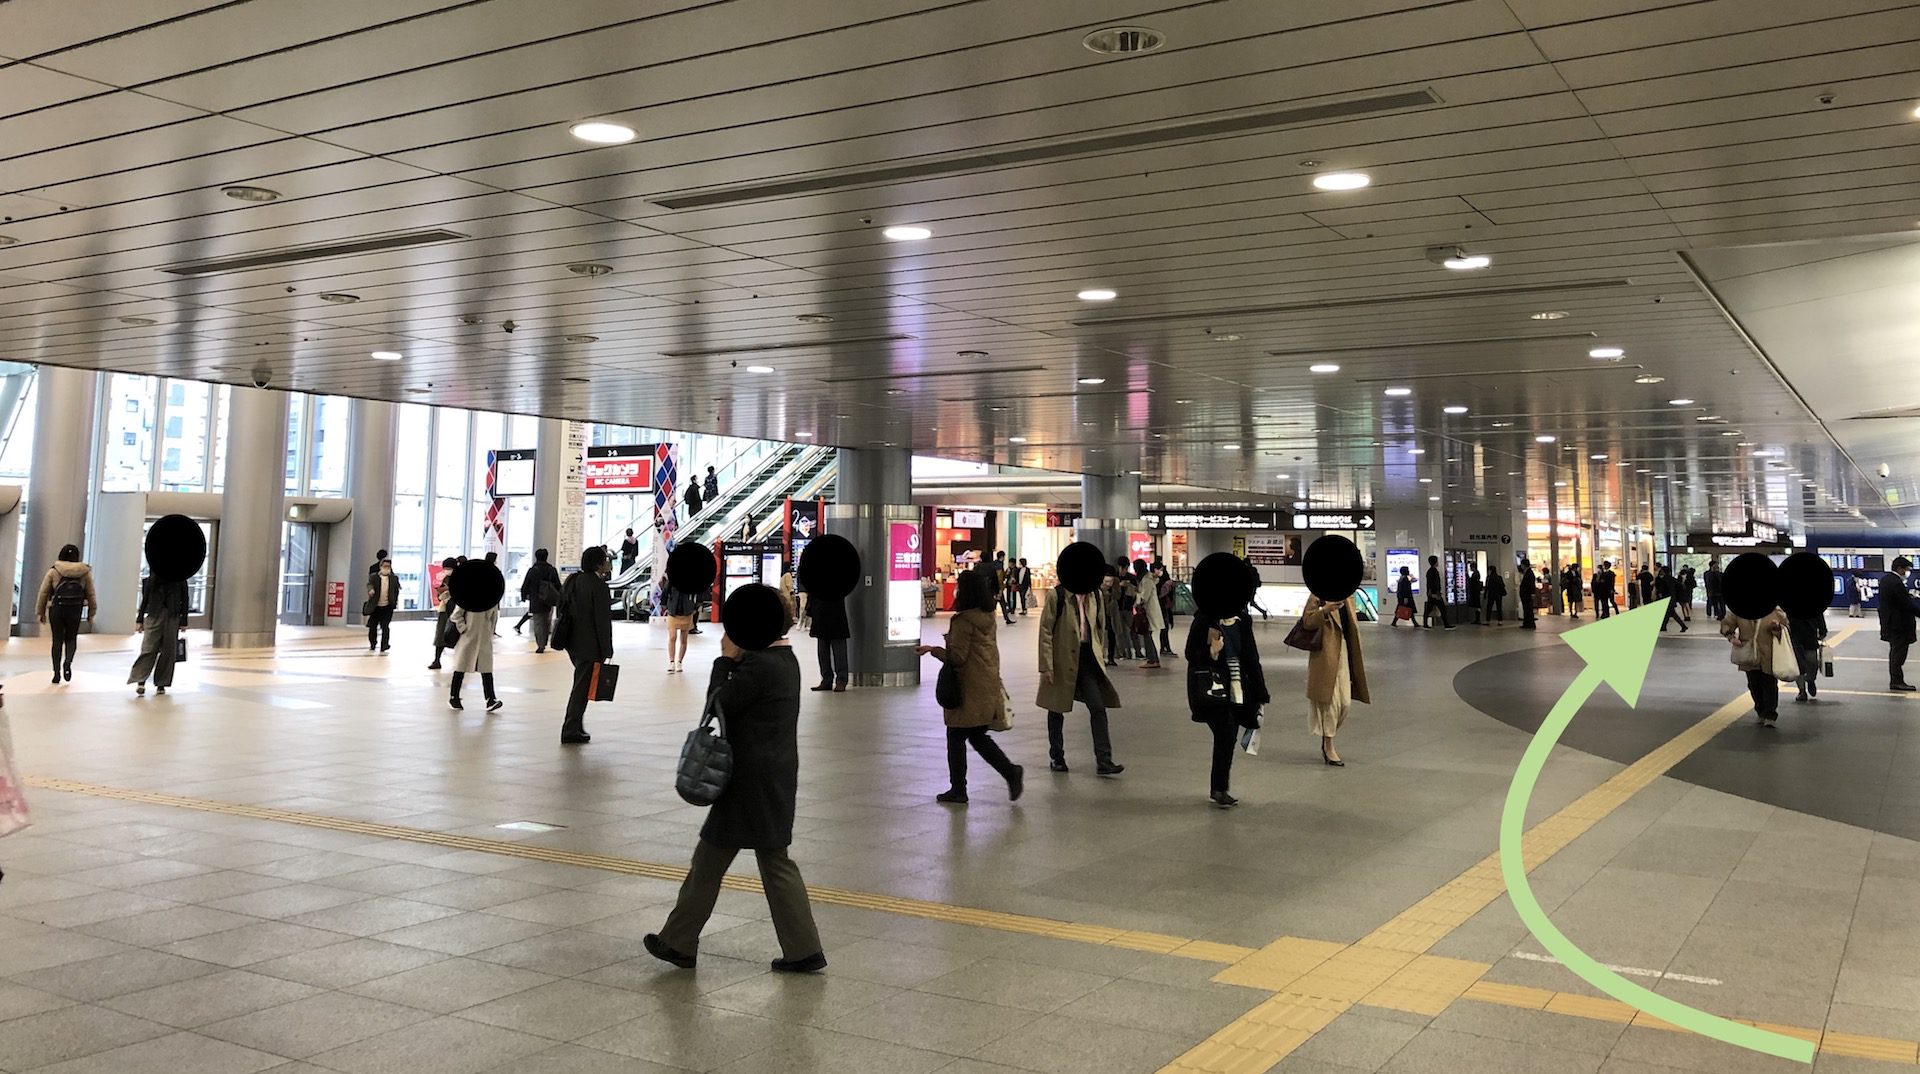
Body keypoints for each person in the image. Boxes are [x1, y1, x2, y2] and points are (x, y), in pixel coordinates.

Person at [645, 591, 824, 975]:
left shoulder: (759, 666)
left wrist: (724, 660)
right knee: (767, 860)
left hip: (747, 782)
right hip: (773, 776)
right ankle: (802, 948)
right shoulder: (784, 660)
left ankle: (679, 942)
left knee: (713, 860)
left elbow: (718, 703)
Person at [918, 571, 1023, 805]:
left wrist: (934, 649)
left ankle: (959, 789)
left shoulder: (963, 621)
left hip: (967, 687)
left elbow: (957, 657)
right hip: (985, 683)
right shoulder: (987, 616)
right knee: (976, 735)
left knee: (956, 735)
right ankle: (1009, 772)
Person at [1038, 574, 1124, 776]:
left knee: (1098, 707)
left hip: (1087, 659)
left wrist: (1100, 654)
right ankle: (1056, 756)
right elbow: (1046, 630)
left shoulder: (1095, 595)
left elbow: (1099, 626)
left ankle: (1104, 760)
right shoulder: (1058, 595)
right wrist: (1046, 665)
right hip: (1062, 658)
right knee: (1056, 708)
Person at [1185, 600, 1268, 807]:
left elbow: (1251, 657)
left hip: (1238, 688)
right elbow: (1190, 653)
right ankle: (1219, 788)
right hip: (1213, 686)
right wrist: (1212, 652)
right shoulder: (1205, 619)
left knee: (1228, 737)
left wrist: (1260, 692)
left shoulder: (1242, 620)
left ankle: (1219, 788)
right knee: (1226, 732)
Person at [1302, 590, 1370, 766]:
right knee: (1330, 703)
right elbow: (1307, 622)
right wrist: (1325, 610)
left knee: (1345, 703)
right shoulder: (1318, 594)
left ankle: (1328, 737)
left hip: (1345, 652)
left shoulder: (1348, 596)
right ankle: (1328, 745)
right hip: (1326, 655)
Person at [559, 546, 614, 744]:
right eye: (605, 560)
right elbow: (602, 621)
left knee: (580, 684)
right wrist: (607, 648)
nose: (607, 563)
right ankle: (570, 729)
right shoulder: (599, 586)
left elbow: (561, 607)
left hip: (572, 642)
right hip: (589, 645)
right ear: (598, 564)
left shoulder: (573, 580)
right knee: (581, 688)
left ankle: (576, 725)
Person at [36, 544, 96, 685]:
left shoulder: (54, 571)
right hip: (75, 609)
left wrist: (40, 611)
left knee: (57, 640)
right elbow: (91, 594)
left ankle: (56, 673)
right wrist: (91, 612)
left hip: (57, 609)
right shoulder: (84, 572)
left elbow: (43, 592)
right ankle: (67, 663)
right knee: (71, 638)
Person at [1722, 605, 1788, 726]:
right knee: (1754, 684)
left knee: (1769, 683)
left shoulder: (1774, 610)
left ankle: (1770, 714)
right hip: (1749, 653)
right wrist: (1731, 637)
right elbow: (1727, 624)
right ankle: (1760, 710)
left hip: (1769, 653)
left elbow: (1786, 628)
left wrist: (1777, 629)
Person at [128, 572, 188, 696]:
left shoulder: (180, 577)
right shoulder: (154, 577)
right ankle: (141, 680)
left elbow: (185, 598)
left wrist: (184, 620)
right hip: (154, 614)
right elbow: (145, 599)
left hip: (172, 615)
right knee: (148, 648)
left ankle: (162, 683)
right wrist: (140, 619)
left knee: (168, 651)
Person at [448, 594, 502, 713]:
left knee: (486, 669)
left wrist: (491, 633)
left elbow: (493, 619)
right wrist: (463, 628)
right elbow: (456, 615)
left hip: (484, 639)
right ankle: (454, 697)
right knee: (460, 668)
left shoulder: (493, 601)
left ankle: (490, 699)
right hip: (468, 637)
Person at [1881, 556, 1916, 691]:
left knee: (1895, 652)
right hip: (1899, 625)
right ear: (1899, 568)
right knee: (1898, 654)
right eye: (1906, 569)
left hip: (1891, 623)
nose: (1907, 572)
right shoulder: (1896, 583)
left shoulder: (1886, 580)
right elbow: (1906, 604)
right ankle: (1896, 681)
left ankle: (1896, 680)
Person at [518, 549, 561, 653]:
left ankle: (540, 645)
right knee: (546, 621)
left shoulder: (533, 570)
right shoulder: (552, 569)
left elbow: (525, 584)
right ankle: (544, 642)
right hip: (548, 600)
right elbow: (558, 585)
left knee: (538, 623)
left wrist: (523, 596)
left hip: (536, 600)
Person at [807, 587, 850, 692]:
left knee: (839, 650)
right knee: (822, 651)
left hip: (836, 613)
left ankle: (841, 679)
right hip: (820, 612)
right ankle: (826, 679)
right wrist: (810, 608)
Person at [1788, 604, 1828, 704]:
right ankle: (1802, 691)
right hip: (1795, 636)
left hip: (1810, 634)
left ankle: (1810, 679)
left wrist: (1822, 630)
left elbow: (1819, 615)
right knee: (1798, 664)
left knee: (1812, 662)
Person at [663, 579, 699, 673]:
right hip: (673, 611)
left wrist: (695, 607)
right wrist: (664, 605)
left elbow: (698, 594)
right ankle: (671, 662)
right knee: (672, 637)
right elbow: (665, 592)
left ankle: (679, 662)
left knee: (684, 639)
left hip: (687, 611)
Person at [1134, 562, 1164, 669]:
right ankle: (1153, 659)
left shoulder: (1146, 579)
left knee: (1147, 635)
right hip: (1150, 610)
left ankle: (1152, 660)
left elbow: (1144, 597)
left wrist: (1136, 602)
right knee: (1148, 635)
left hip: (1148, 611)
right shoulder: (1149, 578)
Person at [428, 557, 457, 669]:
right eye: (445, 568)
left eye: (448, 568)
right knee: (440, 635)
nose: (446, 570)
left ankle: (462, 662)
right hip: (444, 609)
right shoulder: (446, 578)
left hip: (455, 611)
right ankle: (437, 660)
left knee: (457, 636)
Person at [1655, 565, 1688, 633]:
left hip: (1666, 598)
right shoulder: (1672, 579)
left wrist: (1660, 595)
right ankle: (1663, 627)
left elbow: (1662, 589)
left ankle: (1683, 626)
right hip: (1672, 597)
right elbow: (1680, 586)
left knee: (1671, 613)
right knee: (1669, 613)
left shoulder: (1664, 579)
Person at [1423, 556, 1452, 629]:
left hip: (1432, 594)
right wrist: (1435, 592)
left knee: (1429, 609)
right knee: (1442, 609)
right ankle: (1446, 624)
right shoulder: (1433, 571)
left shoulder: (1430, 571)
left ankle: (1425, 624)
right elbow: (1433, 583)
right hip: (1435, 594)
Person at [1155, 562, 1178, 653]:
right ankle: (1164, 648)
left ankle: (1165, 648)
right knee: (1164, 628)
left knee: (1165, 628)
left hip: (1165, 608)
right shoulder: (1159, 582)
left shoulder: (1164, 581)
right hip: (1162, 607)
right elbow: (1159, 595)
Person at [1519, 559, 1537, 630]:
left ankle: (1530, 624)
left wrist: (1532, 593)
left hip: (1527, 594)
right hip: (1526, 594)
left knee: (1528, 609)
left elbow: (1531, 584)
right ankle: (1527, 623)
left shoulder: (1529, 573)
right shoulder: (1526, 572)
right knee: (1526, 609)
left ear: (1524, 565)